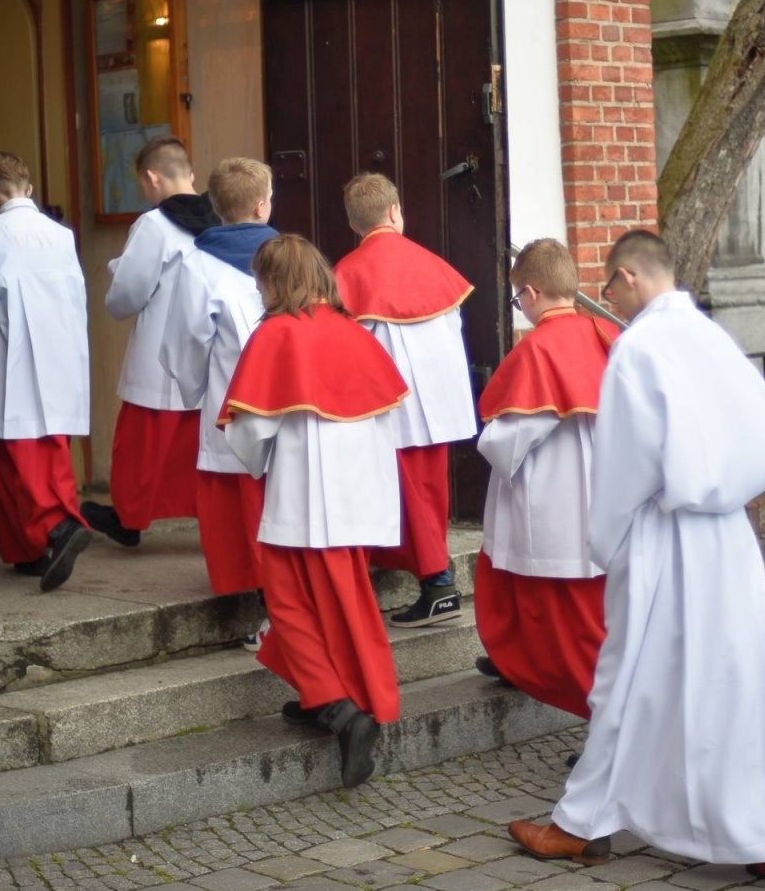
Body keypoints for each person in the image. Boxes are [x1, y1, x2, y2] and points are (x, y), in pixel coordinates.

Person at [508, 230, 765, 876]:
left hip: (662, 534)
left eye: (608, 285)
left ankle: (583, 826)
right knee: (745, 676)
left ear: (630, 278)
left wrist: (604, 541)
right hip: (726, 536)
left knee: (624, 678)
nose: (605, 297)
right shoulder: (712, 337)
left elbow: (622, 466)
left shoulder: (638, 349)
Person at [219, 235, 406, 787]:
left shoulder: (276, 334)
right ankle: (322, 696)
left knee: (290, 604)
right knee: (342, 605)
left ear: (274, 283)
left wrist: (254, 462)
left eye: (260, 284)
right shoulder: (356, 334)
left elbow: (252, 429)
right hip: (358, 500)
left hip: (302, 501)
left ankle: (339, 708)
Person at [472, 238, 613, 721]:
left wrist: (486, 443)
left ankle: (616, 733)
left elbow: (512, 435)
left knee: (569, 634)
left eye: (518, 300)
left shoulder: (538, 349)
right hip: (606, 499)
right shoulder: (603, 334)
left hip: (556, 504)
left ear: (530, 292)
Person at [333, 173, 478, 627]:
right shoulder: (433, 263)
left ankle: (438, 584)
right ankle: (434, 575)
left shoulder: (347, 273)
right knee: (428, 494)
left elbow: (345, 347)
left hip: (389, 405)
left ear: (354, 225)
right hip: (438, 402)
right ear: (396, 212)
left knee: (406, 496)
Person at [0, 151, 92, 592]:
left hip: (9, 360)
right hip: (62, 358)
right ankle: (38, 550)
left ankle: (51, 533)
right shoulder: (60, 236)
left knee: (10, 459)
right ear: (28, 189)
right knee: (51, 451)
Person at [83, 136, 217, 548]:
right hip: (209, 349)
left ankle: (129, 518)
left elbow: (127, 296)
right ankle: (211, 520)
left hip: (159, 355)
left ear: (152, 177)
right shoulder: (221, 217)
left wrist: (116, 275)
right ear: (191, 175)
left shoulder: (154, 225)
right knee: (201, 447)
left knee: (142, 447)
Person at [158, 157, 278, 613]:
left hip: (233, 404)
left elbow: (185, 341)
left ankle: (250, 600)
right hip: (291, 404)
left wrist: (196, 394)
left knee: (237, 505)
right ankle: (283, 599)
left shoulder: (198, 265)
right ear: (262, 206)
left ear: (215, 206)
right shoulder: (293, 255)